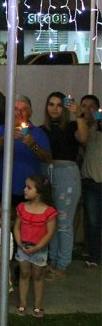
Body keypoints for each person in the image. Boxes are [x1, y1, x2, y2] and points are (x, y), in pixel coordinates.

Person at [41, 92, 87, 280]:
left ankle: (62, 264)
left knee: (64, 222)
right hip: (47, 173)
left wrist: (80, 115)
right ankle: (51, 261)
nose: (54, 108)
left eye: (59, 105)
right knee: (50, 221)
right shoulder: (42, 129)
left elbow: (84, 139)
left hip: (67, 173)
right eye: (51, 104)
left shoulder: (72, 125)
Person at [0, 96, 51, 208]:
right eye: (15, 109)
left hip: (29, 191)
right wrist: (6, 137)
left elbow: (47, 157)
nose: (19, 112)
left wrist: (33, 145)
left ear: (30, 113)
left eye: (24, 109)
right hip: (2, 187)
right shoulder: (1, 130)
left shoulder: (38, 133)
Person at [15, 175, 57, 318]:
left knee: (38, 275)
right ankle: (22, 303)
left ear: (39, 192)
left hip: (39, 249)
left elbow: (49, 233)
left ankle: (38, 305)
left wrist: (37, 247)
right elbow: (16, 228)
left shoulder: (49, 211)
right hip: (23, 247)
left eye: (28, 187)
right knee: (24, 274)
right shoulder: (21, 207)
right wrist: (19, 242)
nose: (24, 189)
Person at [80, 95, 101, 268]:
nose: (87, 110)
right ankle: (94, 256)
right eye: (84, 106)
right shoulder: (80, 128)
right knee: (92, 221)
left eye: (91, 107)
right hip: (90, 181)